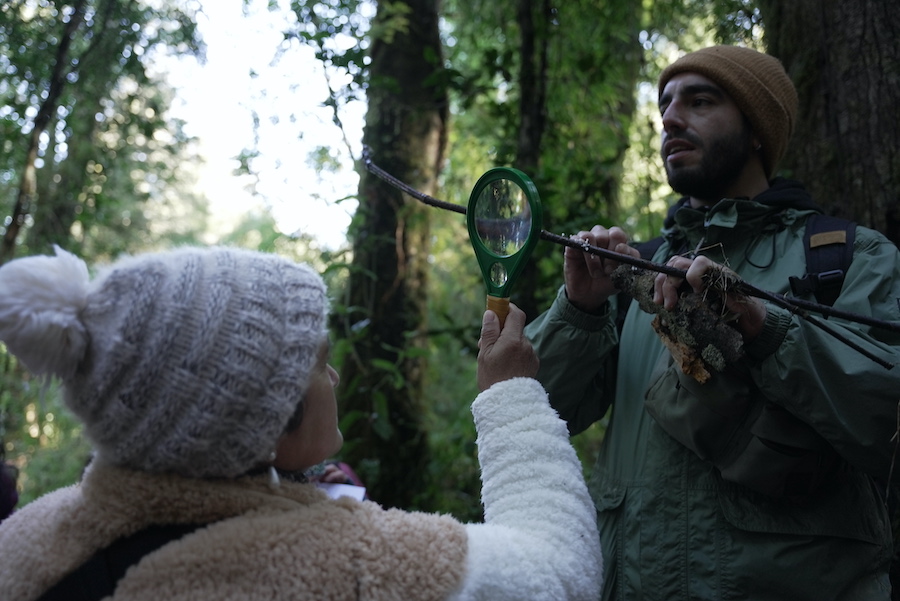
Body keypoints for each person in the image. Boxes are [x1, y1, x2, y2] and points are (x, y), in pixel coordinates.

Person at [0, 245, 602, 601]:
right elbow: (559, 573)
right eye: (318, 362)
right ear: (257, 419)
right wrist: (511, 396)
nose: (334, 378)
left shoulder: (26, 536)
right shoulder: (337, 563)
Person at [525, 45, 900, 600]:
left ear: (757, 130)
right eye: (665, 107)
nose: (671, 119)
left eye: (700, 102)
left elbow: (885, 416)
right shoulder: (635, 273)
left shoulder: (847, 258)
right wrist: (579, 310)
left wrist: (765, 328)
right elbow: (534, 416)